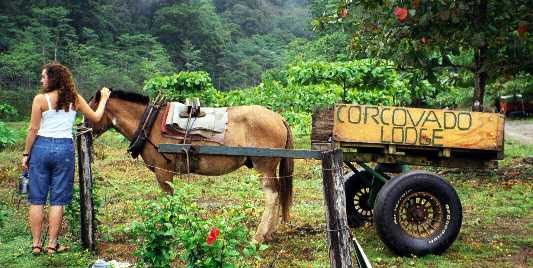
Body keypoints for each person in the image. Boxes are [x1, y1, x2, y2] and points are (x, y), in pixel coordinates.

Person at [21, 63, 111, 255]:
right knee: (57, 200)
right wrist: (103, 98)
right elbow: (95, 117)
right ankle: (52, 244)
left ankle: (36, 244)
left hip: (41, 147)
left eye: (44, 76)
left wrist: (26, 153)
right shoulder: (74, 99)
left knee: (36, 199)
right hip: (64, 148)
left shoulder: (40, 99)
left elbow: (33, 130)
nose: (41, 79)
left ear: (52, 78)